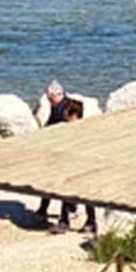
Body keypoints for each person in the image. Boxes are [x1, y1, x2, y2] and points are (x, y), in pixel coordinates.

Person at [33, 80, 94, 235]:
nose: (47, 100)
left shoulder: (64, 110)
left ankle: (67, 221)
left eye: (48, 97)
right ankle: (77, 219)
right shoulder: (61, 108)